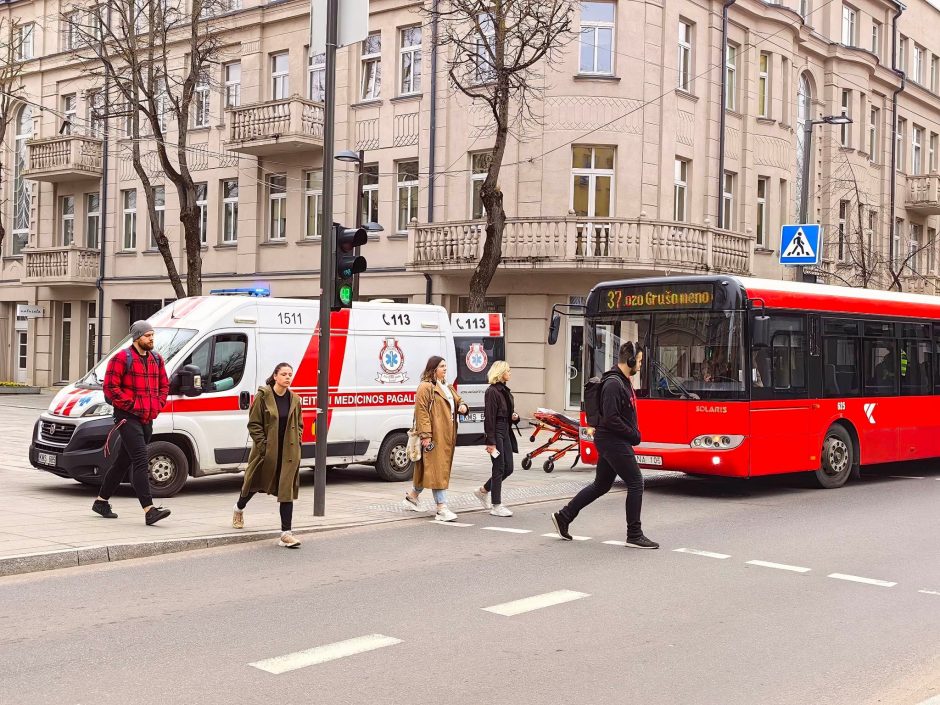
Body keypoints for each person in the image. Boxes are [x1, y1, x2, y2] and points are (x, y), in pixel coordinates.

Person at [551, 341, 658, 549]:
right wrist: (633, 434)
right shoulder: (613, 384)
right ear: (630, 360)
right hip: (612, 440)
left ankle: (564, 516)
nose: (640, 365)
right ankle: (634, 534)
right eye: (640, 361)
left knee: (601, 485)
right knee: (636, 482)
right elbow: (610, 418)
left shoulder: (622, 381)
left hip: (612, 440)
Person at [93, 321, 171, 525]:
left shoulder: (156, 358)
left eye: (153, 335)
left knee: (122, 462)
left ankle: (101, 502)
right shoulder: (121, 358)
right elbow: (110, 389)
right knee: (140, 459)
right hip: (127, 417)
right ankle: (149, 510)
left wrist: (158, 403)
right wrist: (133, 404)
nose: (151, 339)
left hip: (147, 417)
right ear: (137, 338)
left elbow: (164, 385)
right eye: (147, 336)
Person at [232, 362, 304, 548]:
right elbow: (253, 424)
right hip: (266, 452)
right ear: (275, 376)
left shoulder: (295, 399)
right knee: (254, 483)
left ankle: (285, 534)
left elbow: (300, 424)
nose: (288, 377)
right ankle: (239, 508)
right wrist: (264, 446)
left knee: (286, 490)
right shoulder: (263, 397)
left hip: (288, 452)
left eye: (290, 374)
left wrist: (298, 441)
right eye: (284, 374)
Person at [402, 356, 468, 522]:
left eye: (445, 366)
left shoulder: (446, 385)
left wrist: (463, 406)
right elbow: (422, 412)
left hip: (447, 434)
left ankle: (412, 497)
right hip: (435, 434)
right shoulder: (425, 387)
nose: (445, 369)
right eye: (441, 366)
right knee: (438, 468)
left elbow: (458, 400)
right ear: (433, 369)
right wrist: (426, 435)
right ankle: (441, 508)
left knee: (428, 467)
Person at [473, 361, 520, 517]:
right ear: (500, 373)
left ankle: (483, 491)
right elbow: (489, 417)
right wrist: (490, 441)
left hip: (506, 431)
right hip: (497, 433)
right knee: (499, 468)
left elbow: (506, 413)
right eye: (508, 370)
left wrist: (514, 417)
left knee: (509, 468)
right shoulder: (492, 391)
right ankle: (496, 505)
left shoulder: (504, 390)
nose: (510, 373)